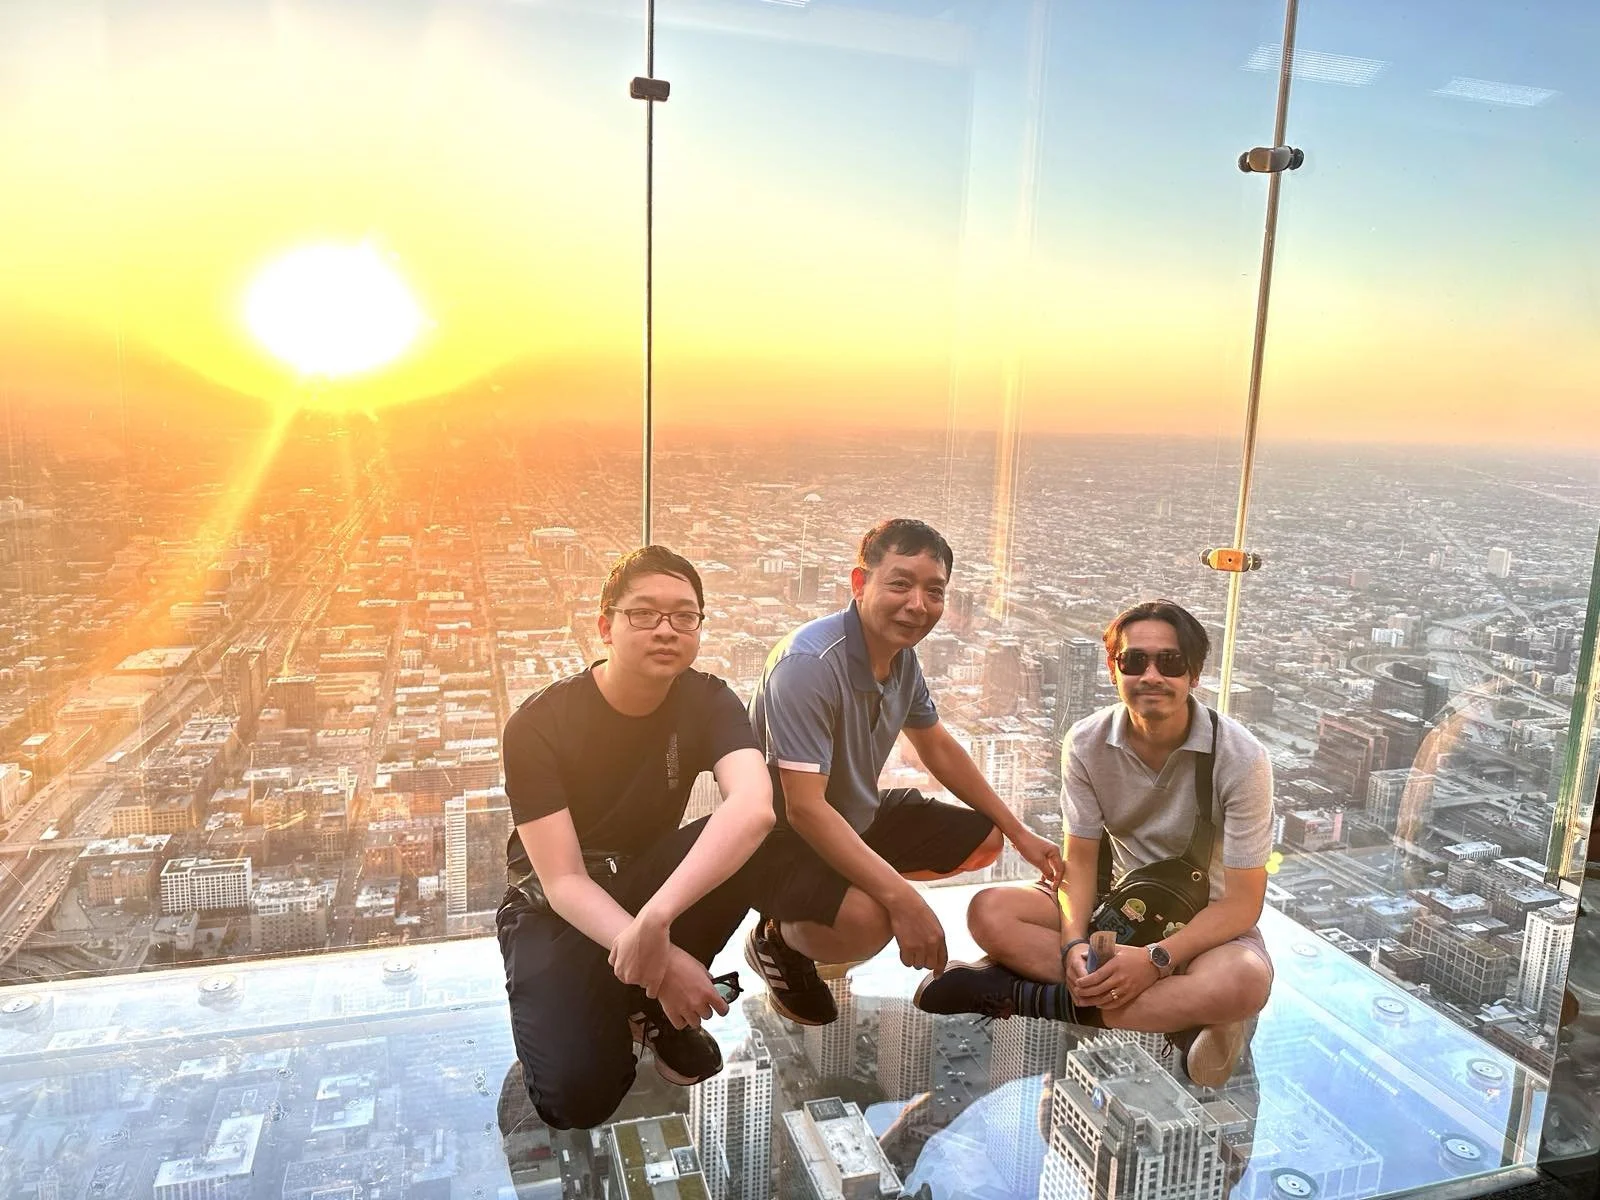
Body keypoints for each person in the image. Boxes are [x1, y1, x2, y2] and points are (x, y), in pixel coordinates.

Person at [914, 599, 1274, 1088]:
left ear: (1195, 674)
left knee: (1245, 982)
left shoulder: (1240, 758)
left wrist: (1156, 960)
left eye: (1170, 662)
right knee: (989, 912)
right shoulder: (1087, 742)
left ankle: (1025, 996)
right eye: (1134, 661)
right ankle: (1185, 1017)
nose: (1151, 675)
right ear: (1112, 669)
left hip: (1202, 926)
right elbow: (1079, 864)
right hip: (1115, 907)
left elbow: (1242, 903)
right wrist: (1073, 944)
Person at [740, 518, 1065, 1026]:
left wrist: (1019, 832)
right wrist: (902, 900)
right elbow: (804, 810)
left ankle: (849, 887)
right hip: (779, 841)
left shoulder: (900, 658)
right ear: (859, 583)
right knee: (870, 925)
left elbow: (936, 746)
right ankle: (777, 938)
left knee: (986, 840)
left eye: (934, 591)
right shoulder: (808, 665)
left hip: (855, 818)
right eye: (900, 584)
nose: (918, 604)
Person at [496, 546, 774, 1130]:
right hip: (554, 907)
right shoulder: (538, 725)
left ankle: (647, 1004)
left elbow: (754, 808)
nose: (666, 630)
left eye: (685, 616)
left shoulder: (706, 699)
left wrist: (656, 922)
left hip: (648, 883)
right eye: (644, 614)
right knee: (576, 1101)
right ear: (606, 626)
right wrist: (663, 960)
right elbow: (563, 880)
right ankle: (633, 995)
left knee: (763, 837)